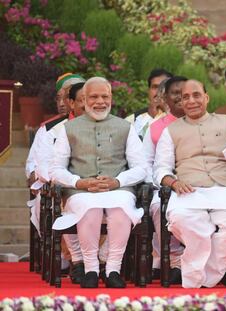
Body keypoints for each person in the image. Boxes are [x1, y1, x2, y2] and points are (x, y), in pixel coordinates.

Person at [153, 79, 226, 288]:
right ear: (181, 102)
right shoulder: (170, 131)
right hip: (190, 190)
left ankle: (198, 277)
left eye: (196, 95)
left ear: (206, 98)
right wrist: (173, 182)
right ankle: (210, 277)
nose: (191, 101)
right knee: (181, 219)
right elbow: (160, 169)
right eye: (185, 97)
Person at [51, 77, 147, 288]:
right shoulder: (68, 129)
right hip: (81, 192)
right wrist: (79, 183)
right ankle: (91, 269)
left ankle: (113, 269)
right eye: (94, 96)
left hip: (118, 188)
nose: (100, 101)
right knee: (91, 208)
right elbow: (55, 169)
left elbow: (141, 167)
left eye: (105, 96)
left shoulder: (125, 127)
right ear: (84, 99)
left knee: (120, 208)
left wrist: (118, 181)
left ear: (111, 98)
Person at [142, 76, 188, 282]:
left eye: (185, 92)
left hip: (200, 185)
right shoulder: (155, 127)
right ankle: (175, 261)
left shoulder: (206, 122)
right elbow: (146, 164)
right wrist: (165, 184)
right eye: (174, 93)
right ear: (165, 98)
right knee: (159, 207)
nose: (180, 97)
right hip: (164, 187)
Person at [132, 68, 173, 138]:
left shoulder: (182, 117)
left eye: (163, 87)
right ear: (148, 91)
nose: (158, 92)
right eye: (155, 87)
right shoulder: (134, 119)